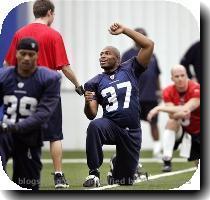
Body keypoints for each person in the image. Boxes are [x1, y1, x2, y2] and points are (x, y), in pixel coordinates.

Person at [4, 0, 84, 188]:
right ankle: (58, 176)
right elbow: (64, 66)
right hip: (48, 90)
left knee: (17, 130)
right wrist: (78, 85)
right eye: (53, 14)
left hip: (22, 90)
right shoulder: (53, 35)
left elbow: (8, 65)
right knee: (55, 135)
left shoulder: (19, 33)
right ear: (49, 12)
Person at [83, 23, 154, 187]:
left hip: (132, 131)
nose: (102, 56)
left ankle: (116, 166)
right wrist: (87, 103)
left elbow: (149, 44)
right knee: (94, 126)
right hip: (111, 125)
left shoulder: (130, 69)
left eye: (107, 53)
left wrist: (125, 31)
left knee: (124, 181)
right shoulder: (94, 82)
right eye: (100, 54)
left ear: (118, 58)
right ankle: (93, 173)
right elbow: (92, 114)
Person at [0, 37, 61, 190]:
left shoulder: (49, 78)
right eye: (23, 53)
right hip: (5, 135)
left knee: (28, 186)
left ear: (37, 56)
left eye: (31, 54)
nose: (26, 58)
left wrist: (13, 127)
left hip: (30, 136)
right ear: (16, 54)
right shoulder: (4, 76)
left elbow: (42, 115)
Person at [147, 64, 200, 172]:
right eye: (177, 76)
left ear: (186, 76)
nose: (180, 78)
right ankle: (167, 160)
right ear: (172, 78)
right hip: (181, 129)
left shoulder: (196, 88)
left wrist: (159, 108)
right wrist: (179, 112)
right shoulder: (167, 91)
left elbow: (186, 108)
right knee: (171, 122)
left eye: (182, 75)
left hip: (198, 130)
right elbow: (172, 115)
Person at [121, 28, 162, 158]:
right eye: (140, 36)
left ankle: (157, 150)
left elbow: (156, 74)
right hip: (134, 96)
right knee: (132, 125)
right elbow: (122, 74)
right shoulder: (127, 54)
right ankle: (131, 150)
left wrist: (159, 90)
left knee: (154, 123)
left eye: (144, 36)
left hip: (151, 96)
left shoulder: (152, 54)